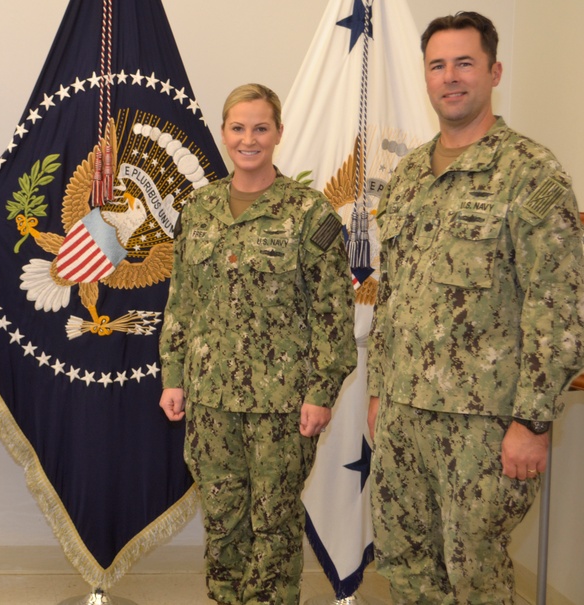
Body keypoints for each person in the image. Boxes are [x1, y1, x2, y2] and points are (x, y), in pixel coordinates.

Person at [367, 11, 584, 604]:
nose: (450, 77)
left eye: (465, 62)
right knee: (408, 570)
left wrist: (533, 423)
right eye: (438, 65)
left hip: (484, 428)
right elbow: (394, 296)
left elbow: (559, 307)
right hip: (404, 415)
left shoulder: (531, 173)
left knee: (477, 581)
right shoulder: (409, 174)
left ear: (494, 71)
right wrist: (380, 391)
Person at [159, 83, 356, 605]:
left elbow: (334, 313)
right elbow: (182, 303)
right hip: (210, 400)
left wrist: (321, 391)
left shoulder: (309, 214)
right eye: (239, 128)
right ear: (224, 133)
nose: (249, 139)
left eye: (261, 128)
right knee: (223, 524)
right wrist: (173, 377)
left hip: (282, 406)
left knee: (274, 526)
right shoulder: (198, 210)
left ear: (279, 134)